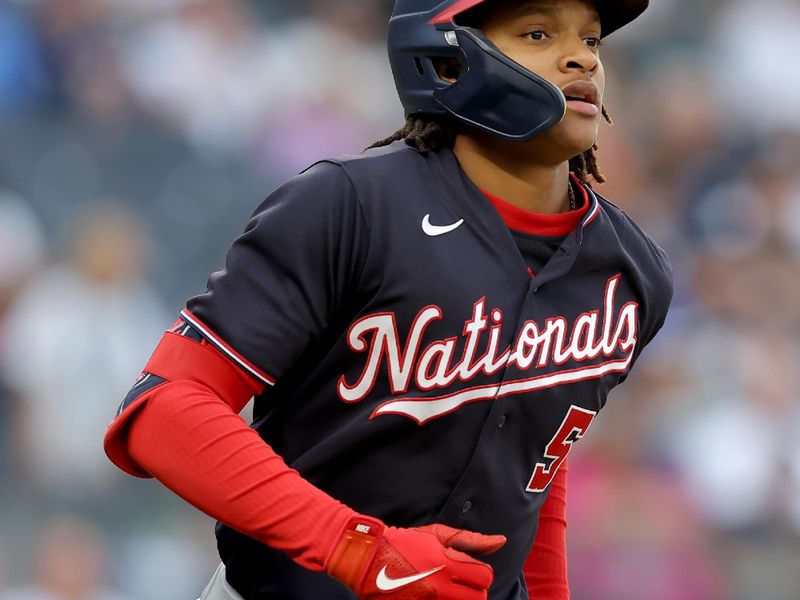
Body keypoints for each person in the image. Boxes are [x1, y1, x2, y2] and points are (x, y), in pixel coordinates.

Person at [104, 0, 672, 598]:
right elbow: (162, 410)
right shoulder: (348, 206)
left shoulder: (632, 271)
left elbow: (534, 459)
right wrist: (356, 548)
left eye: (593, 39)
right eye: (538, 32)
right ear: (447, 59)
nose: (582, 56)